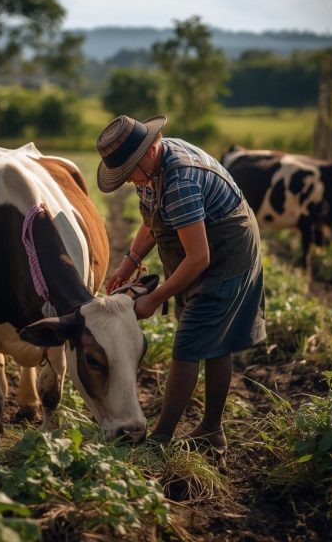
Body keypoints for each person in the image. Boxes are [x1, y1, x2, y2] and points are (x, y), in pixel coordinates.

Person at [96, 114, 266, 455]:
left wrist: (155, 298)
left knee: (190, 342)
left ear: (147, 153)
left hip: (226, 252)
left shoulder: (180, 181)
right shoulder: (152, 173)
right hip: (205, 248)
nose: (130, 181)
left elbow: (199, 257)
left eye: (130, 172)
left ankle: (160, 440)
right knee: (214, 342)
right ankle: (212, 432)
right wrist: (128, 263)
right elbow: (151, 220)